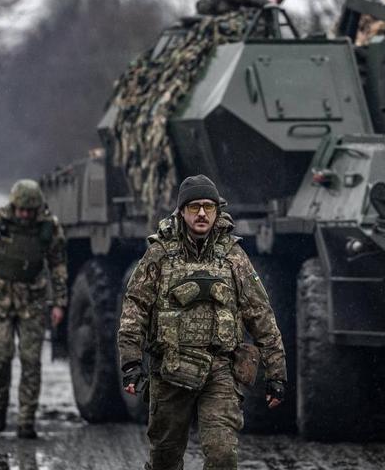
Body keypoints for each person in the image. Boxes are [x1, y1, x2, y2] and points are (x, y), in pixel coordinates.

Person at [118, 174, 286, 470]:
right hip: (170, 370)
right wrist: (131, 363)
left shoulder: (234, 256)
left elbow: (260, 313)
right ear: (182, 212)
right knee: (164, 459)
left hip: (220, 371)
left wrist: (276, 372)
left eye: (208, 206)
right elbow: (135, 307)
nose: (201, 214)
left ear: (217, 211)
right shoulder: (159, 254)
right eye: (194, 206)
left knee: (223, 457)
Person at [0, 179, 68, 439]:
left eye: (29, 211)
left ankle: (26, 420)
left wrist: (59, 302)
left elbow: (58, 265)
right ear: (14, 206)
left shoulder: (48, 227)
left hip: (33, 302)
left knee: (31, 362)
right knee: (1, 358)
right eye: (21, 210)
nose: (25, 215)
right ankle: (0, 407)